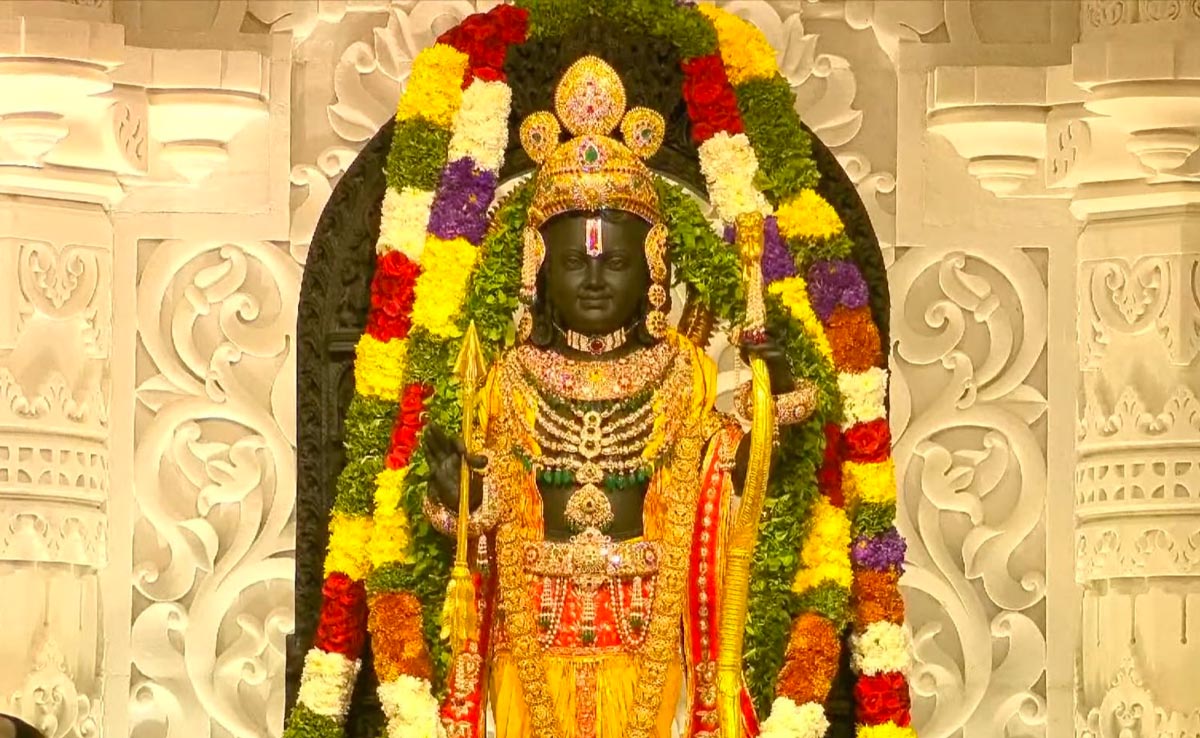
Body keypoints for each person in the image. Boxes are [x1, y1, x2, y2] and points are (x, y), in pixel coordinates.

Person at [421, 56, 817, 738]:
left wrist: (768, 400)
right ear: (538, 269)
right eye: (574, 261)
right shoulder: (510, 377)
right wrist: (459, 491)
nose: (595, 279)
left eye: (617, 261)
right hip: (530, 636)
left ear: (655, 264)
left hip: (649, 635)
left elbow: (727, 482)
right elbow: (489, 518)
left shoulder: (683, 373)